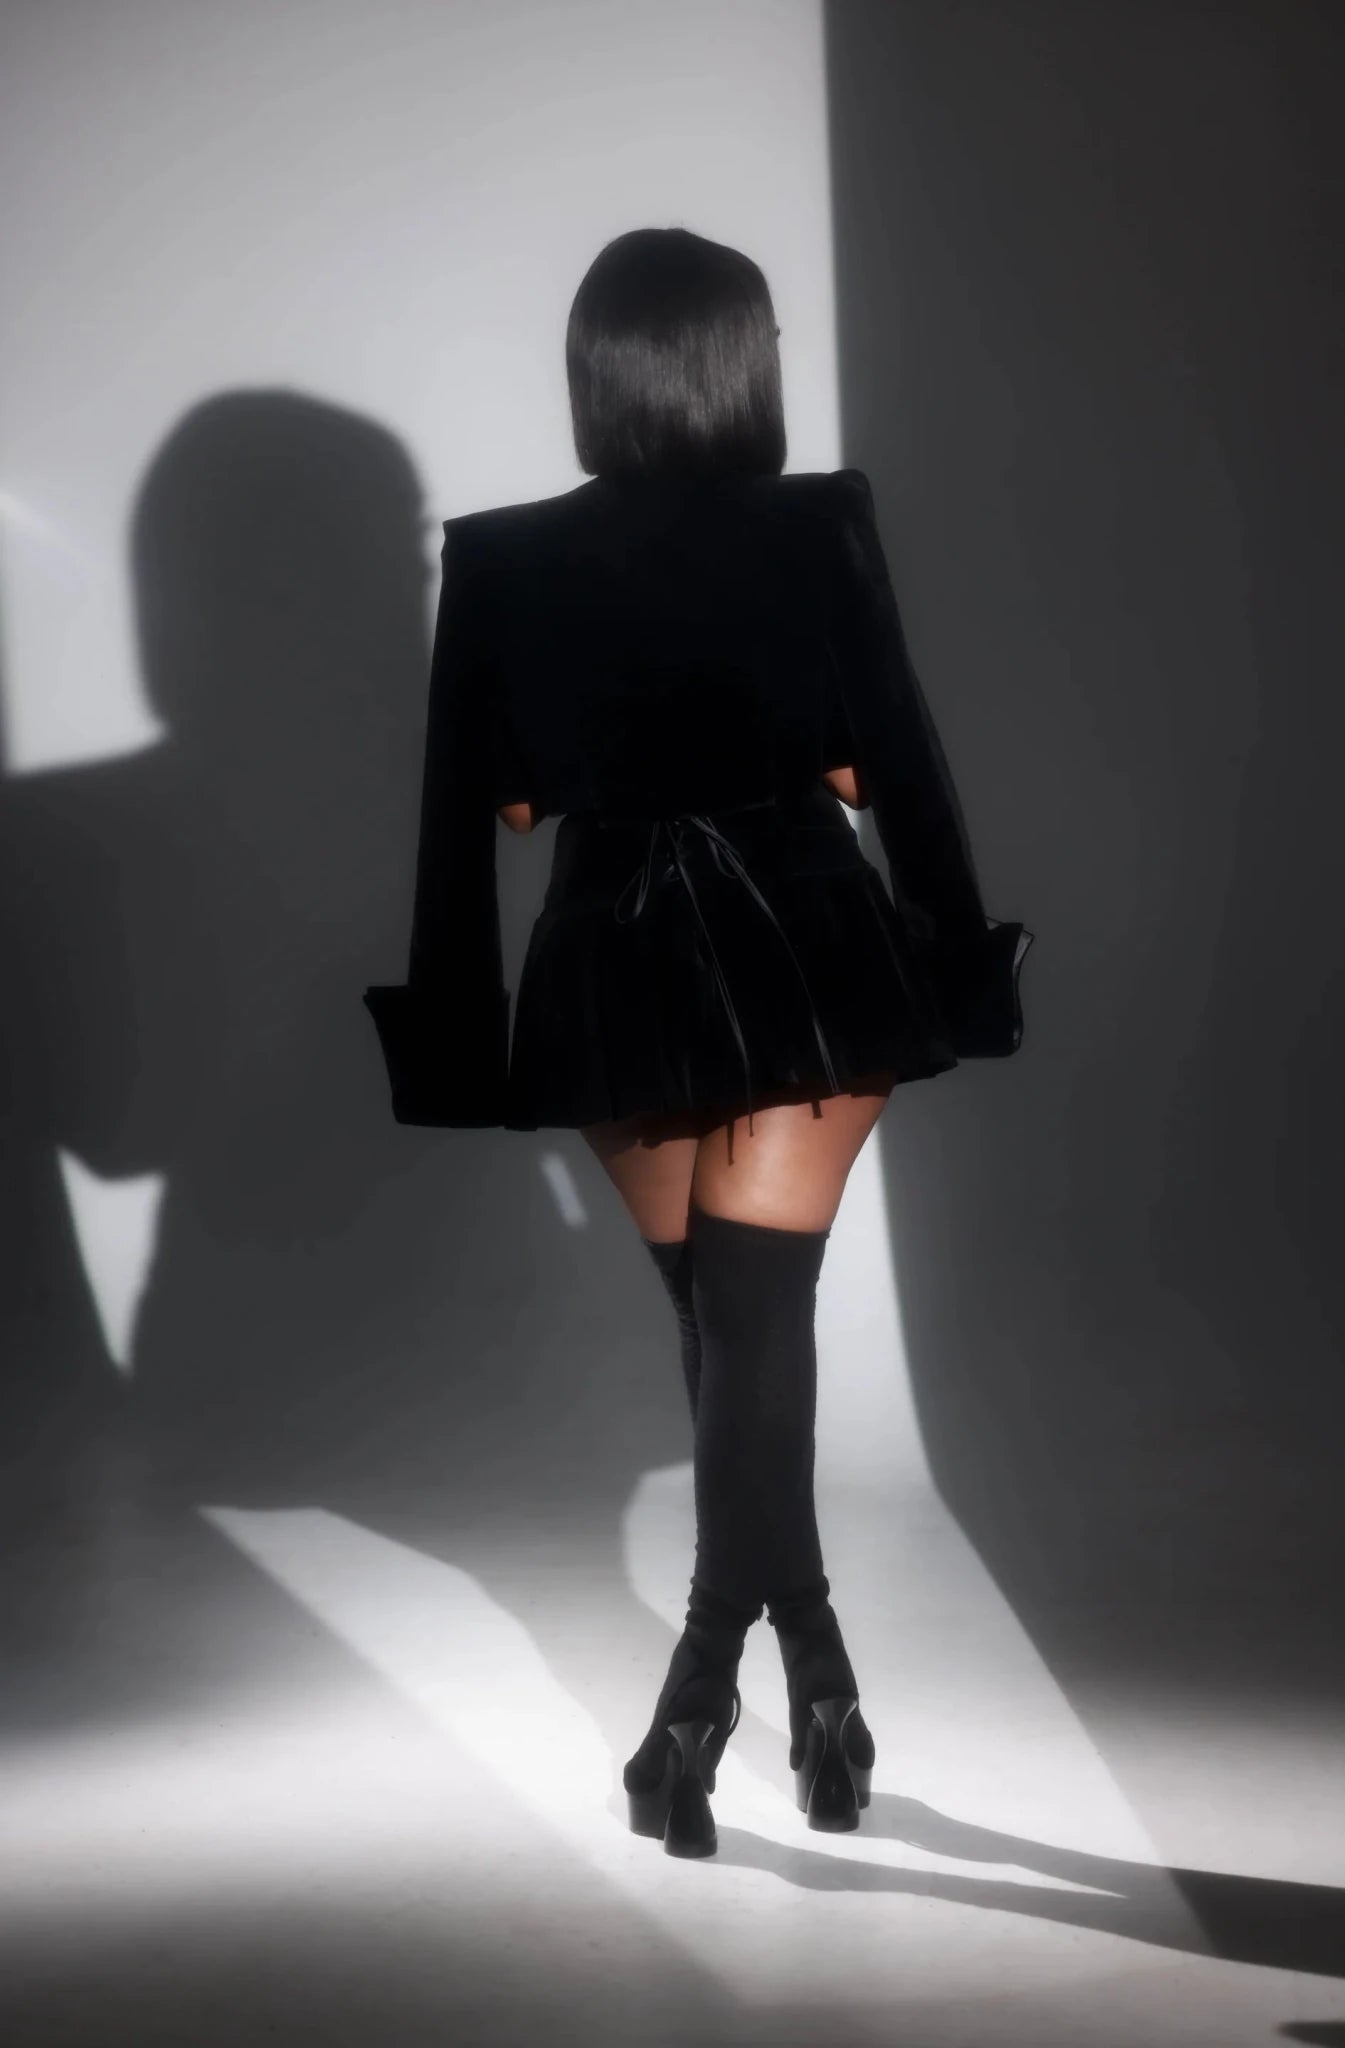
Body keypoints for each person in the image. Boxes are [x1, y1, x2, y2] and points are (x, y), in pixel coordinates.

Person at [364, 225, 1034, 1857]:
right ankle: (773, 1678)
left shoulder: (501, 561)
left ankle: (728, 1688)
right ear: (744, 366)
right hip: (808, 943)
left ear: (595, 375)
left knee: (724, 1331)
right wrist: (954, 957)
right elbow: (892, 765)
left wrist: (456, 1028)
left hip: (614, 959)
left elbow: (481, 812)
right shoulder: (818, 527)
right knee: (756, 1324)